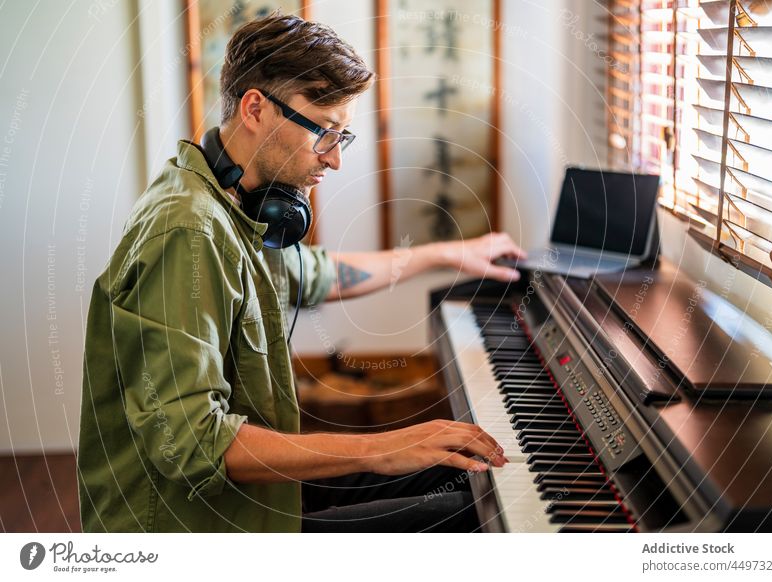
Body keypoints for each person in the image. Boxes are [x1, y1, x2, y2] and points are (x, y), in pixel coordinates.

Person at [77, 12, 526, 533]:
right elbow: (194, 442)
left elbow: (317, 274)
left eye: (344, 137)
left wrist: (445, 255)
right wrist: (383, 447)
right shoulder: (190, 234)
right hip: (199, 529)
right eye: (326, 134)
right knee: (467, 522)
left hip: (245, 496)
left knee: (461, 479)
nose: (334, 160)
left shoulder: (238, 204)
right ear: (255, 109)